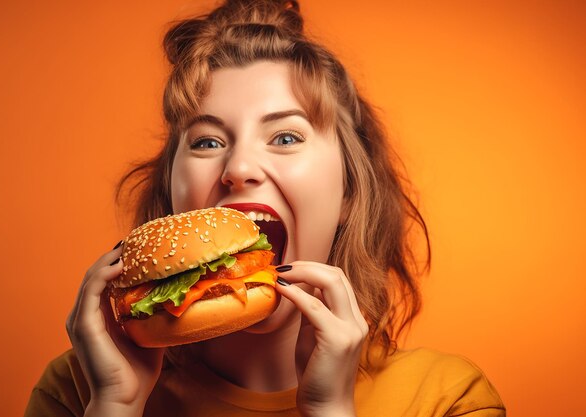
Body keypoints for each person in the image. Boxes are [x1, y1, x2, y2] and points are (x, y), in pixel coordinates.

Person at [25, 1, 505, 416]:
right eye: (208, 140)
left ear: (349, 194)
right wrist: (115, 407)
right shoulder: (79, 391)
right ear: (171, 195)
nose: (238, 167)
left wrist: (329, 411)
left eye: (286, 136)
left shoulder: (446, 399)